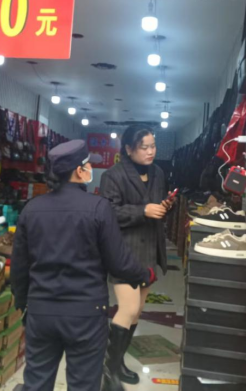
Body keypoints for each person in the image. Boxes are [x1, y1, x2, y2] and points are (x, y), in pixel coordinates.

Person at [11, 140, 155, 392]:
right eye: (88, 165)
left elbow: (19, 268)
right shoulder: (98, 207)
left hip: (41, 312)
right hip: (85, 315)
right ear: (79, 171)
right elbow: (119, 263)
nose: (90, 169)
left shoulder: (32, 209)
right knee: (83, 384)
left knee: (36, 383)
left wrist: (24, 305)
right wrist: (145, 274)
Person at [99, 125, 174, 386]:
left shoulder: (158, 173)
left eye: (153, 146)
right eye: (144, 147)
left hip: (149, 249)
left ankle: (117, 362)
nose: (151, 151)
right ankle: (108, 372)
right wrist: (143, 211)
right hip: (124, 251)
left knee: (137, 310)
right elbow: (108, 212)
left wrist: (165, 206)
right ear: (129, 149)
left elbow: (156, 205)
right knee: (128, 308)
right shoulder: (113, 176)